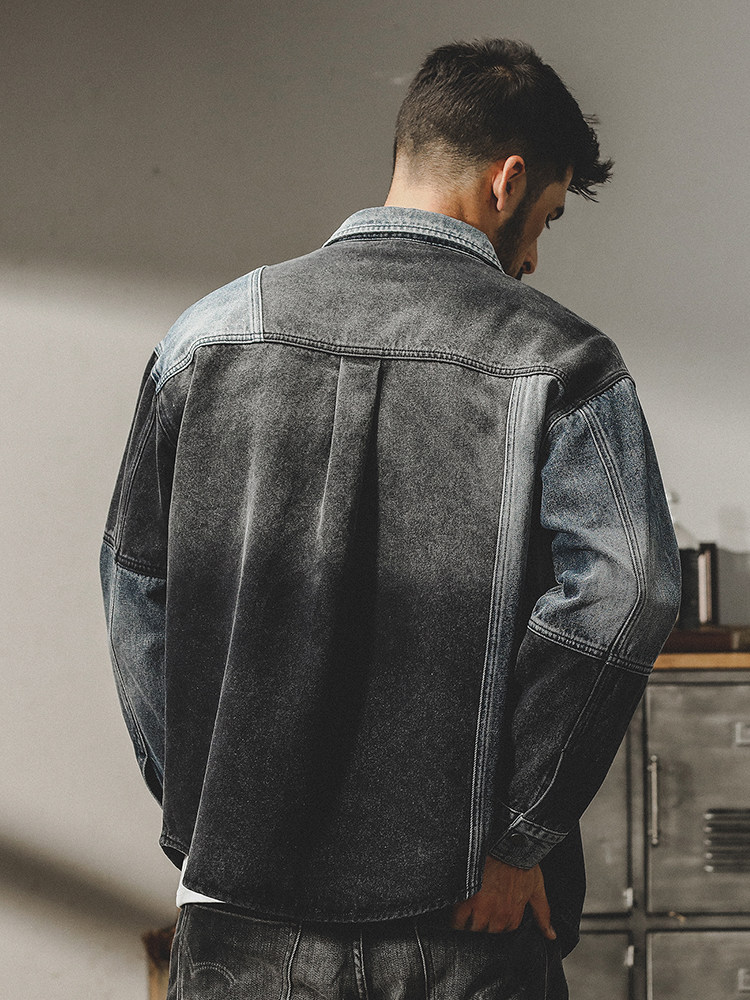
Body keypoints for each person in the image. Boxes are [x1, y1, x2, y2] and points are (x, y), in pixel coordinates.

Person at [100, 38, 681, 1000]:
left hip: (245, 912)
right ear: (507, 179)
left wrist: (213, 811)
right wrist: (517, 836)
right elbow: (631, 592)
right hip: (467, 918)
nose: (534, 255)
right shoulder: (562, 358)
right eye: (545, 216)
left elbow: (138, 583)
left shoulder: (208, 334)